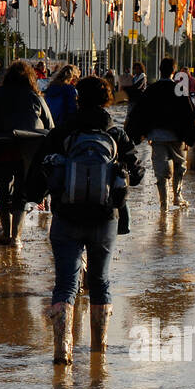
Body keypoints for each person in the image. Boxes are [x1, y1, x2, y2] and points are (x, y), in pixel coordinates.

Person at [31, 75, 144, 363]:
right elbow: (139, 174)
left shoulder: (64, 131)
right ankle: (98, 352)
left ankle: (61, 352)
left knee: (66, 283)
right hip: (105, 217)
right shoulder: (116, 134)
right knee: (100, 281)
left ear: (78, 99)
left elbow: (38, 172)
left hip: (66, 216)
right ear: (107, 100)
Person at [0, 61, 53, 247]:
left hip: (2, 147)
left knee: (3, 191)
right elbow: (50, 126)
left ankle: (6, 231)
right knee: (21, 193)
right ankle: (17, 238)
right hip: (28, 151)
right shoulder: (35, 97)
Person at [125, 56, 195, 210]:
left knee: (160, 171)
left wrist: (141, 133)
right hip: (177, 137)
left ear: (160, 70)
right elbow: (190, 114)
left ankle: (163, 205)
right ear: (174, 71)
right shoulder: (179, 90)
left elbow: (139, 113)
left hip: (156, 136)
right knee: (180, 166)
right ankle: (177, 196)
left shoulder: (151, 89)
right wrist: (191, 135)